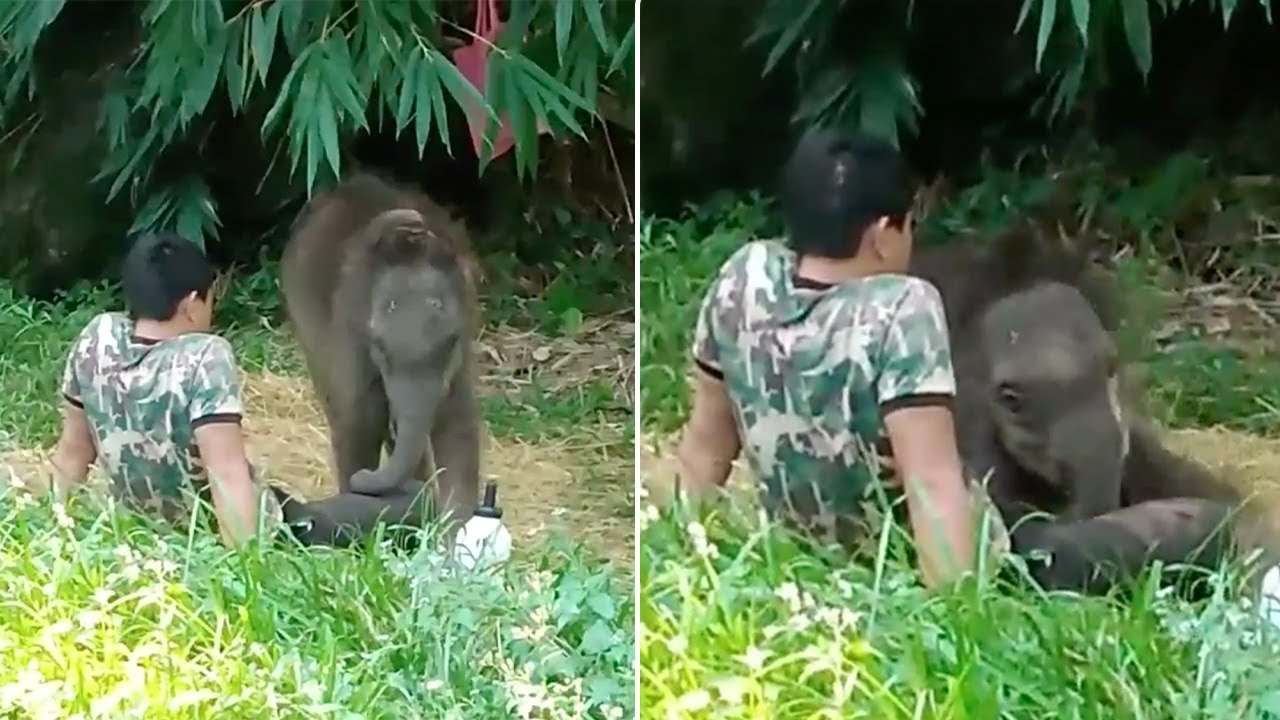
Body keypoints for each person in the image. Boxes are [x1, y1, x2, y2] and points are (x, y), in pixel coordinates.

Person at [674, 127, 985, 588]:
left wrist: (672, 551)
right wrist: (957, 621)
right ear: (881, 234)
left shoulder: (745, 281)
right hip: (893, 572)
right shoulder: (901, 309)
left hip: (801, 569)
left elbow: (702, 452)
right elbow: (932, 484)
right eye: (909, 221)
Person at [47, 231, 279, 548]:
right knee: (344, 518)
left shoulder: (98, 341)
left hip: (142, 533)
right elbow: (226, 474)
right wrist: (245, 570)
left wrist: (54, 532)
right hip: (207, 536)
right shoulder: (204, 358)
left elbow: (72, 454)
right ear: (191, 305)